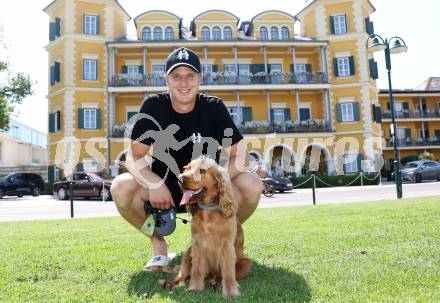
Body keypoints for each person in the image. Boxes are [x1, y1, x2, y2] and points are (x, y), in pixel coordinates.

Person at [110, 47, 263, 271]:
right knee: (120, 187)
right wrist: (153, 183)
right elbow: (134, 156)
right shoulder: (153, 106)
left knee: (252, 183)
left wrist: (214, 182)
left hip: (204, 187)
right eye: (176, 76)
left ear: (200, 78)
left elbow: (241, 157)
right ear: (166, 80)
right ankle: (159, 248)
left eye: (190, 75)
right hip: (167, 187)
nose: (184, 83)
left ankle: (221, 240)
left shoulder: (214, 107)